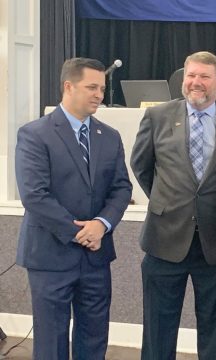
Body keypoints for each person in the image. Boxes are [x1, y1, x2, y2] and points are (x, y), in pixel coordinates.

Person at [130, 51, 216, 359]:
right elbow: (142, 166)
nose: (195, 82)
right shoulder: (157, 116)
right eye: (191, 75)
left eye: (204, 76)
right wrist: (169, 201)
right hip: (164, 239)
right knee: (158, 329)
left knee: (214, 329)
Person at [15, 57, 133, 359]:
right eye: (91, 87)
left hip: (96, 258)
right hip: (50, 255)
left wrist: (101, 225)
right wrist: (79, 232)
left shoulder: (109, 136)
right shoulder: (34, 134)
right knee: (51, 341)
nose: (99, 95)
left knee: (94, 337)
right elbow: (35, 196)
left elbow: (122, 189)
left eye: (102, 89)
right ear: (68, 86)